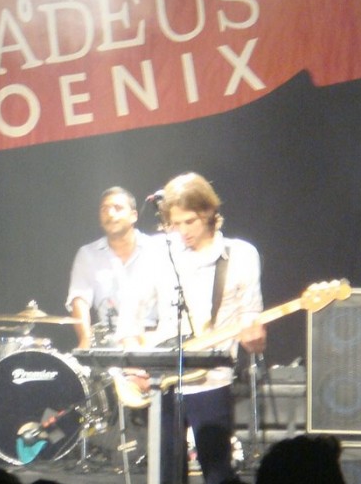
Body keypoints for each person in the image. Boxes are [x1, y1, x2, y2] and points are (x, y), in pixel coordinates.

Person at [121, 172, 265, 484]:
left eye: (190, 221)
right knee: (166, 474)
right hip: (162, 381)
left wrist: (255, 338)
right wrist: (134, 363)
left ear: (210, 212)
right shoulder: (159, 251)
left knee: (217, 473)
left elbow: (251, 319)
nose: (182, 231)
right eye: (176, 223)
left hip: (212, 381)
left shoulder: (241, 256)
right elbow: (129, 313)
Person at [65, 187, 168, 349]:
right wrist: (85, 339)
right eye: (104, 209)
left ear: (134, 215)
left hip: (153, 340)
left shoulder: (156, 248)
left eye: (117, 208)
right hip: (109, 342)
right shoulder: (88, 254)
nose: (110, 214)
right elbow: (79, 299)